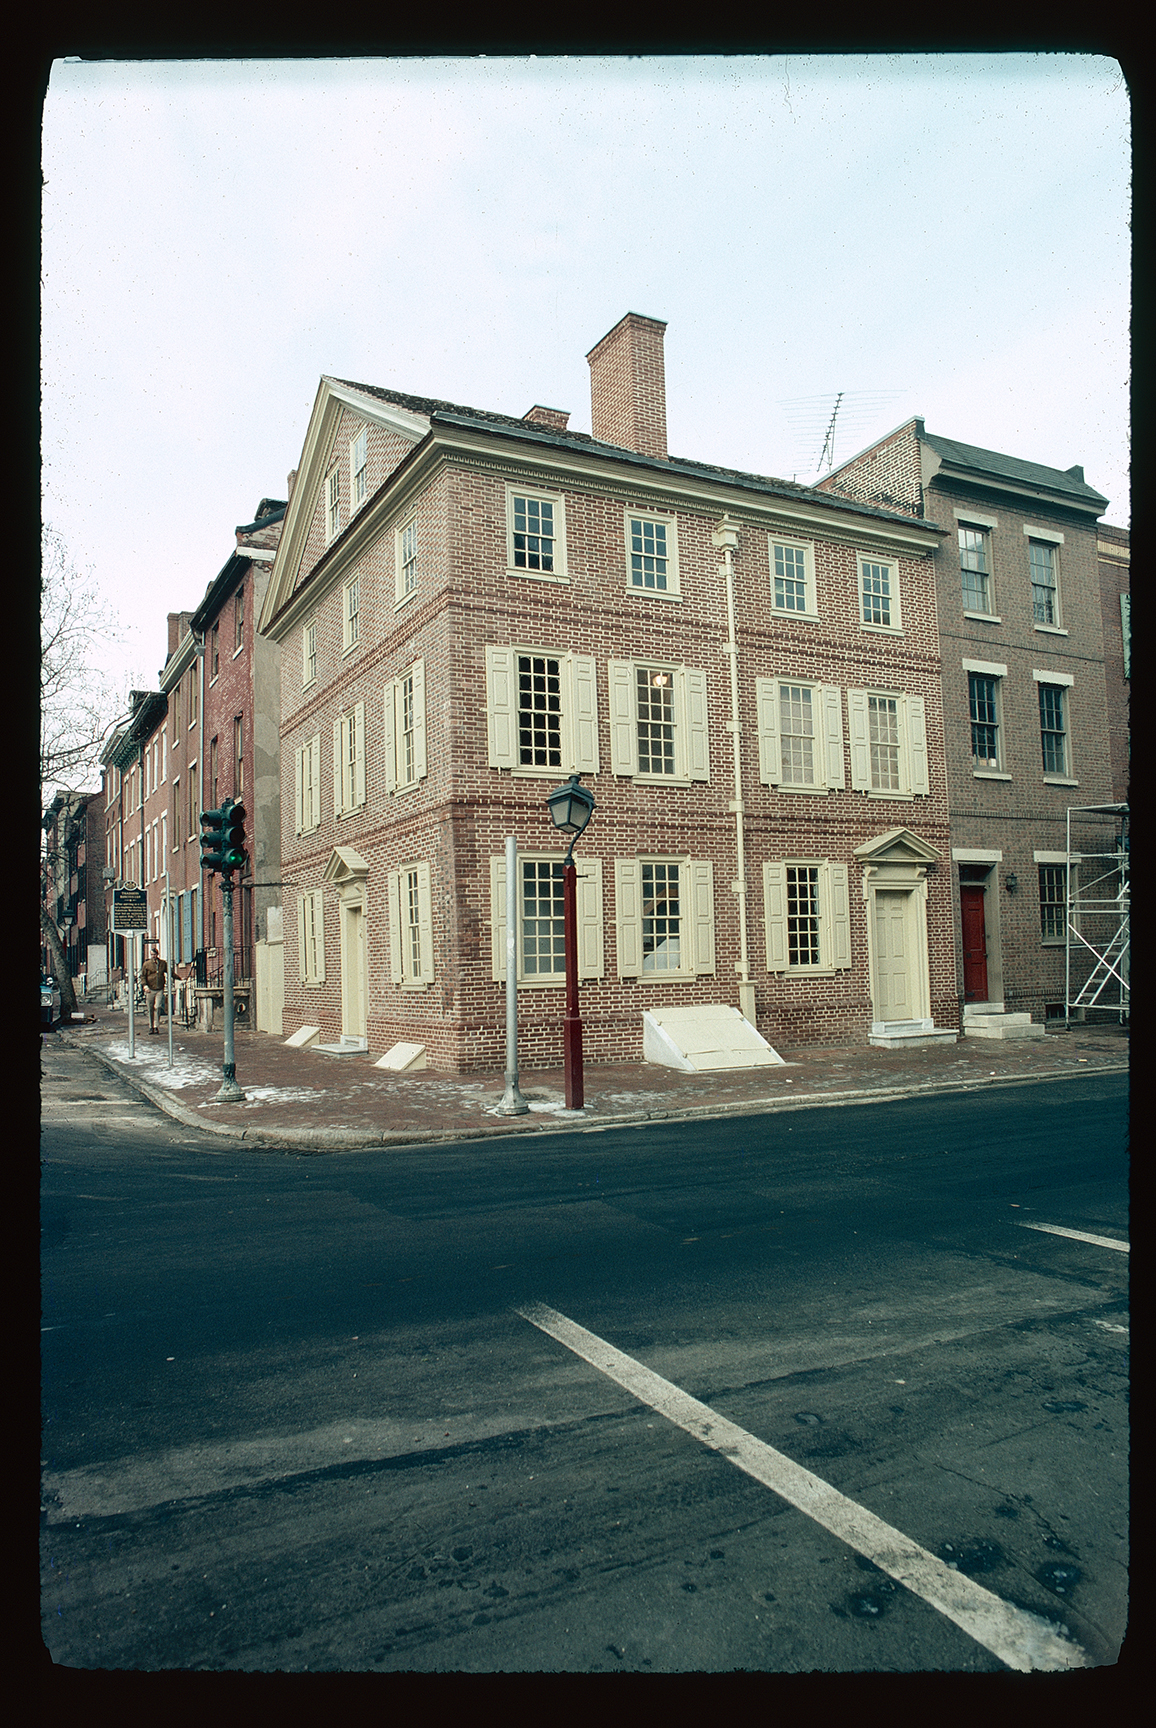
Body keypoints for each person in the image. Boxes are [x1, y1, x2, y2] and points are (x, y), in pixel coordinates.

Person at [141, 945, 168, 1034]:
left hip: (159, 988)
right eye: (152, 955)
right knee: (150, 1008)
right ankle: (150, 1026)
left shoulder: (163, 963)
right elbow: (143, 976)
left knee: (157, 1007)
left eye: (155, 954)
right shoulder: (147, 964)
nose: (153, 956)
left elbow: (169, 971)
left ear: (157, 954)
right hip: (150, 989)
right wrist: (145, 986)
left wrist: (179, 978)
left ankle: (156, 1026)